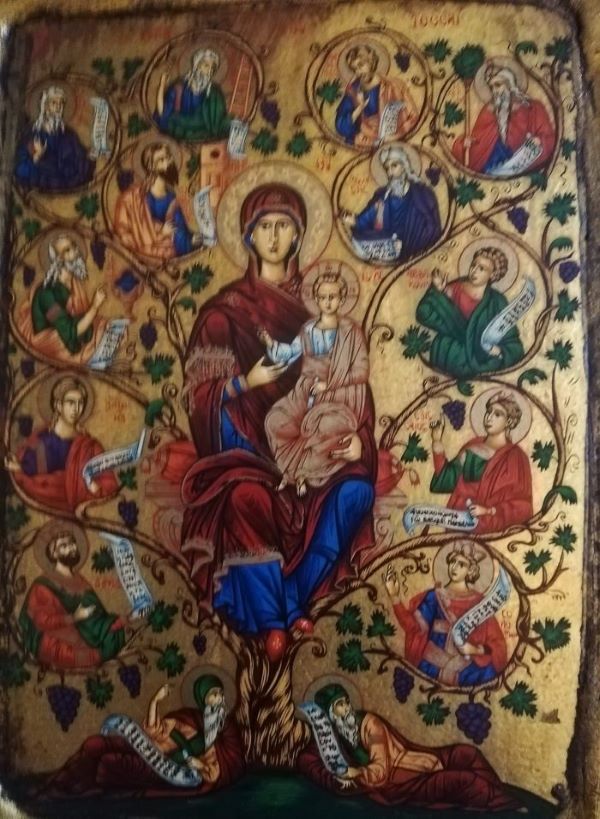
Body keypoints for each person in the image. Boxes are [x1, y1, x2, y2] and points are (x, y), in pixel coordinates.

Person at [174, 183, 376, 661]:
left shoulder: (321, 309)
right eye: (263, 225)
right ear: (247, 235)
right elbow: (200, 398)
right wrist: (245, 383)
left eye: (283, 225)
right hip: (246, 454)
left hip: (316, 448)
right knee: (245, 498)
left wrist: (358, 445)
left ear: (298, 235)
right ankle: (272, 621)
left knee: (355, 493)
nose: (273, 235)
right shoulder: (224, 314)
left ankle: (294, 600)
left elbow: (356, 392)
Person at [298, 682, 522, 810]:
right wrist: (335, 777)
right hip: (403, 786)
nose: (347, 708)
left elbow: (381, 770)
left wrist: (356, 774)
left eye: (346, 701)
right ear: (328, 713)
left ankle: (500, 794)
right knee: (462, 780)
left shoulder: (369, 723)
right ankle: (508, 806)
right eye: (339, 705)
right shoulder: (327, 737)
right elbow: (307, 761)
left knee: (467, 754)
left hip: (407, 766)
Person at [259, 269, 369, 497]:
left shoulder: (351, 332)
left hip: (337, 398)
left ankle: (300, 474)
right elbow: (290, 353)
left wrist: (328, 385)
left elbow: (362, 371)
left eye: (333, 297)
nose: (328, 302)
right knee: (275, 420)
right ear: (316, 299)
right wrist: (270, 343)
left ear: (341, 299)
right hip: (304, 392)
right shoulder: (308, 329)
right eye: (323, 297)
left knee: (321, 428)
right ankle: (292, 472)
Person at [42, 675, 244, 796]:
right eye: (213, 694)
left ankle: (75, 789)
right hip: (147, 748)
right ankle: (57, 783)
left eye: (220, 694)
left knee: (109, 763)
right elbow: (154, 730)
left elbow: (218, 771)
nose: (219, 698)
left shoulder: (222, 732)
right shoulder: (189, 718)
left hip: (161, 771)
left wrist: (198, 765)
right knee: (94, 744)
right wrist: (155, 701)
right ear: (202, 698)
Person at [383, 544, 508, 686]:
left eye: (461, 564)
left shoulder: (480, 603)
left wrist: (475, 650)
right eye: (452, 561)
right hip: (433, 664)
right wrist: (394, 596)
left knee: (488, 674)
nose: (454, 567)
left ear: (470, 571)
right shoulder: (434, 596)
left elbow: (497, 643)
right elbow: (414, 627)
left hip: (466, 669)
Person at [18, 524, 128, 669]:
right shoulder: (44, 584)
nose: (71, 548)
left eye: (72, 543)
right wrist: (74, 617)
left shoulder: (80, 581)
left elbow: (97, 614)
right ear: (53, 554)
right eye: (64, 546)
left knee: (114, 629)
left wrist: (112, 622)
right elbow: (42, 622)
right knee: (94, 652)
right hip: (59, 641)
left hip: (86, 636)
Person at [5, 375, 118, 512]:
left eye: (80, 403)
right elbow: (26, 477)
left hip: (76, 514)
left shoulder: (90, 447)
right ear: (58, 405)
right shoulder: (39, 442)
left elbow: (109, 484)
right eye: (71, 402)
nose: (76, 409)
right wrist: (19, 470)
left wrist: (93, 487)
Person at [429, 391, 533, 534]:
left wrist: (489, 511)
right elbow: (445, 481)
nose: (489, 417)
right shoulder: (472, 447)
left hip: (489, 528)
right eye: (488, 411)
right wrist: (436, 441)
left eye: (497, 414)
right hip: (457, 521)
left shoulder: (516, 457)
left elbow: (523, 505)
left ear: (509, 422)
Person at [415, 245, 524, 378]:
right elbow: (423, 314)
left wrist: (500, 351)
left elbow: (511, 340)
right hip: (447, 354)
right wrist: (437, 291)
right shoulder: (453, 288)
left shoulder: (497, 301)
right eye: (473, 265)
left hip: (477, 361)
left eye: (481, 268)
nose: (474, 271)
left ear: (493, 274)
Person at [341, 145, 442, 263]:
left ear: (404, 166)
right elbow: (368, 217)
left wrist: (407, 244)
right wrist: (355, 221)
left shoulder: (423, 193)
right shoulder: (383, 195)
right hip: (388, 244)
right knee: (359, 239)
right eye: (387, 168)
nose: (390, 172)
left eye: (394, 166)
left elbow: (433, 228)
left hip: (413, 246)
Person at [18, 233, 108, 364]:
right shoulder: (47, 295)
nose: (76, 252)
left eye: (74, 246)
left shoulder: (75, 285)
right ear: (57, 260)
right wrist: (95, 306)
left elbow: (81, 318)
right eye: (67, 250)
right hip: (54, 348)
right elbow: (70, 332)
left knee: (107, 328)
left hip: (74, 338)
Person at [452, 61, 555, 175]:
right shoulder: (488, 111)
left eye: (498, 85)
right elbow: (478, 145)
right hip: (490, 170)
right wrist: (462, 144)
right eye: (491, 87)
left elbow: (550, 140)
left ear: (510, 85)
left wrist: (538, 140)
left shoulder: (533, 108)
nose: (494, 91)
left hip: (521, 168)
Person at [114, 140, 202, 260]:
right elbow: (125, 233)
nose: (168, 162)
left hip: (170, 251)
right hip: (149, 256)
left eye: (169, 156)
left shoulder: (171, 198)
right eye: (161, 160)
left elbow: (180, 230)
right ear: (151, 167)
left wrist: (191, 239)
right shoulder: (134, 198)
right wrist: (161, 233)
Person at [335, 44, 418, 147]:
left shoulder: (394, 84)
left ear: (371, 62)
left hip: (394, 138)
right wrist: (359, 109)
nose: (358, 72)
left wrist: (395, 136)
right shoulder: (353, 90)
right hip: (366, 141)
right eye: (354, 69)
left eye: (361, 65)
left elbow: (413, 116)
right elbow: (340, 126)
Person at [14, 85, 95, 191]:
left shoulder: (69, 135)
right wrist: (37, 158)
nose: (58, 107)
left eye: (61, 104)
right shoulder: (32, 134)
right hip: (41, 189)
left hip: (66, 188)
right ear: (46, 107)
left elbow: (81, 163)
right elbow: (19, 169)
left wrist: (89, 157)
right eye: (54, 103)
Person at [154, 48, 231, 142]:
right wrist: (162, 85)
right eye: (206, 66)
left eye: (213, 69)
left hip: (203, 133)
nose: (209, 71)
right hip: (180, 129)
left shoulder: (214, 93)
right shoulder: (179, 88)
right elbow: (163, 114)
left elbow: (218, 121)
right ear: (196, 66)